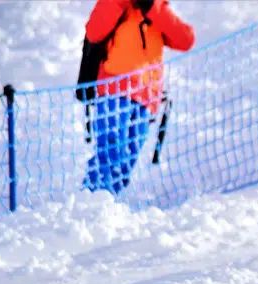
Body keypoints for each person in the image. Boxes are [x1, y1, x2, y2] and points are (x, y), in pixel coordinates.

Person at [83, 0, 195, 194]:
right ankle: (92, 198)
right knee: (110, 149)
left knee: (128, 159)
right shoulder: (114, 4)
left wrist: (152, 7)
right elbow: (94, 32)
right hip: (114, 89)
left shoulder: (158, 10)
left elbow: (186, 40)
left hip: (146, 98)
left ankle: (107, 203)